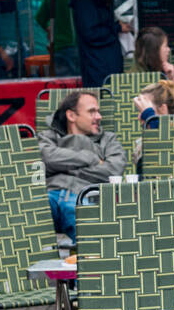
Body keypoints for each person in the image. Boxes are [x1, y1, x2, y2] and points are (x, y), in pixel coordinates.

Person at [38, 90, 126, 242]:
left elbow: (113, 171)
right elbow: (46, 158)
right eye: (92, 112)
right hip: (49, 196)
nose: (99, 117)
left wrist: (63, 169)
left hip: (84, 195)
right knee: (29, 214)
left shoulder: (108, 140)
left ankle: (88, 262)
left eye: (98, 112)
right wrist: (90, 158)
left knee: (83, 224)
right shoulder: (48, 137)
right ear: (71, 116)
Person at [69, 0, 130, 89]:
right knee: (114, 98)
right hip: (110, 59)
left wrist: (115, 27)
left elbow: (89, 32)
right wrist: (116, 27)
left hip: (93, 63)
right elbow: (90, 33)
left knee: (99, 101)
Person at [35, 0, 84, 77]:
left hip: (59, 47)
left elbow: (40, 17)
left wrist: (49, 28)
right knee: (84, 88)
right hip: (83, 47)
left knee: (63, 89)